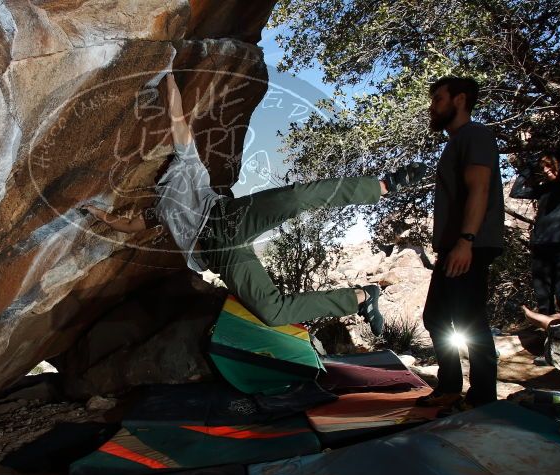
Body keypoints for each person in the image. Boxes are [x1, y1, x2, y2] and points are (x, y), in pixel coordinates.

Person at [86, 73, 423, 332]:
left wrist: (169, 74)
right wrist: (100, 215)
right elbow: (129, 225)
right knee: (273, 312)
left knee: (296, 197)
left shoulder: (186, 161)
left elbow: (178, 120)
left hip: (227, 218)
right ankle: (362, 298)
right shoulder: (158, 208)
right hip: (220, 255)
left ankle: (382, 185)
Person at [416, 77, 505, 411]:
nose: (432, 106)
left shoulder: (475, 135)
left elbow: (479, 188)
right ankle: (451, 387)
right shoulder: (456, 142)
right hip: (455, 245)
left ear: (459, 100)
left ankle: (482, 398)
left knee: (469, 319)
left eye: (438, 99)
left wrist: (466, 241)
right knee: (436, 316)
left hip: (470, 245)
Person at [510, 150, 560, 315]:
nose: (545, 170)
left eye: (548, 165)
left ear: (559, 163)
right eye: (542, 167)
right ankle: (546, 333)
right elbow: (516, 192)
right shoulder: (544, 189)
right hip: (541, 246)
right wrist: (528, 168)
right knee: (542, 295)